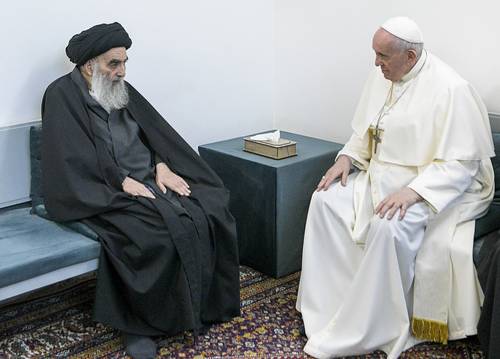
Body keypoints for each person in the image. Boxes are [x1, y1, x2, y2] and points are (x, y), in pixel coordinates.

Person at [296, 17, 495, 358]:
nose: (376, 63)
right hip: (380, 177)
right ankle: (329, 305)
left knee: (388, 226)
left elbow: (462, 165)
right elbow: (367, 132)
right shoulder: (382, 77)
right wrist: (346, 159)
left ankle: (375, 325)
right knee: (324, 201)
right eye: (375, 53)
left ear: (411, 57)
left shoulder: (451, 89)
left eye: (383, 56)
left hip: (437, 187)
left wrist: (414, 192)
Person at [41, 22, 240, 359]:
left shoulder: (120, 89)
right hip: (100, 189)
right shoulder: (61, 95)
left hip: (148, 178)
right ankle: (138, 326)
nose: (121, 71)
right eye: (113, 64)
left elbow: (154, 134)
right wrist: (119, 181)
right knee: (153, 236)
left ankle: (199, 308)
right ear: (89, 65)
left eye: (124, 62)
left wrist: (161, 164)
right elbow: (67, 158)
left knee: (209, 207)